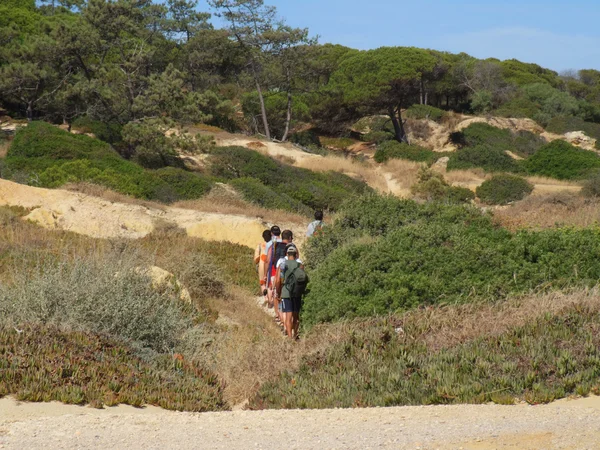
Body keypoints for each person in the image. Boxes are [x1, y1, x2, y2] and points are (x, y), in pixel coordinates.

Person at [275, 244, 307, 339]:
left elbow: (277, 281)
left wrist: (278, 292)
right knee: (296, 316)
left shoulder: (282, 265)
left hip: (286, 293)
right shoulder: (300, 266)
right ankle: (296, 334)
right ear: (296, 254)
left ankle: (290, 337)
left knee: (288, 317)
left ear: (286, 254)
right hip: (297, 293)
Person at [268, 229, 296, 324]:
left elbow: (270, 259)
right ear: (289, 238)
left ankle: (278, 315)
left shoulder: (275, 245)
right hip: (289, 274)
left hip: (275, 271)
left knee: (276, 294)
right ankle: (286, 319)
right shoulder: (292, 247)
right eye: (291, 237)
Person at [253, 229, 271, 297]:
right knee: (270, 284)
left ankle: (265, 297)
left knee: (262, 283)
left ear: (263, 237)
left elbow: (256, 259)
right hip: (271, 266)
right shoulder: (273, 245)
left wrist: (261, 257)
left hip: (261, 267)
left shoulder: (260, 246)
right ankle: (270, 299)